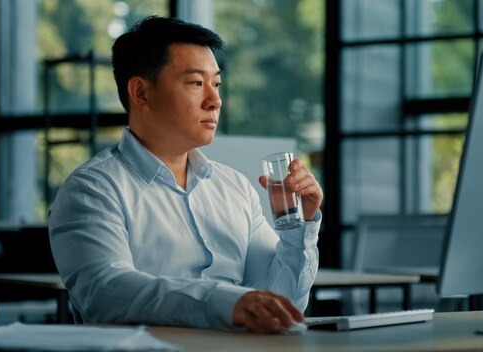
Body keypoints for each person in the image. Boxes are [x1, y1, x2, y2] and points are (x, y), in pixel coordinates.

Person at [48, 16, 323, 334]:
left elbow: (281, 303)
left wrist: (300, 225)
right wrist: (225, 303)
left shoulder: (234, 186)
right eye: (196, 83)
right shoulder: (92, 189)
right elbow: (107, 292)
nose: (215, 101)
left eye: (216, 84)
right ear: (140, 93)